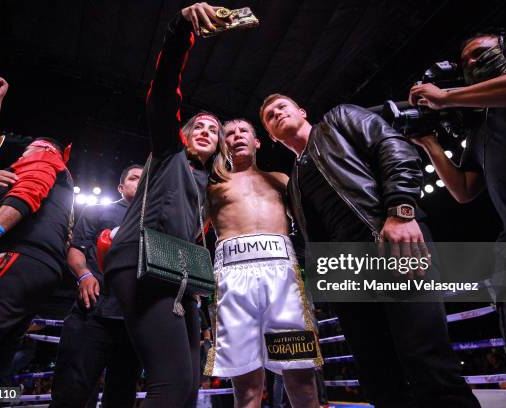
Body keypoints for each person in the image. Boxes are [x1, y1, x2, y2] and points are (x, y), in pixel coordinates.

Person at [259, 94, 480, 408]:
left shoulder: (339, 118)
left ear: (302, 111)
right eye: (269, 115)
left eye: (282, 106)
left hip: (390, 245)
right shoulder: (293, 181)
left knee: (429, 364)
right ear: (270, 135)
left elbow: (393, 146)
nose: (277, 113)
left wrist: (401, 210)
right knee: (379, 380)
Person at [408, 30, 506, 405]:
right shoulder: (481, 123)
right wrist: (429, 143)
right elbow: (463, 190)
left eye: (479, 53)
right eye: (465, 63)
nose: (471, 63)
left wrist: (446, 97)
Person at [104, 3, 229, 407]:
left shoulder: (210, 185)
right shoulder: (169, 152)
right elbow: (163, 89)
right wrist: (182, 31)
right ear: (185, 133)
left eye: (216, 129)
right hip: (143, 261)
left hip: (180, 276)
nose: (208, 130)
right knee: (171, 386)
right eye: (201, 126)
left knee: (189, 386)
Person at [205, 118, 321, 407]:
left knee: (299, 374)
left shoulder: (280, 179)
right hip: (231, 278)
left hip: (282, 277)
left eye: (243, 131)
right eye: (229, 134)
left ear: (257, 141)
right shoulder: (213, 188)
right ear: (224, 145)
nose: (237, 136)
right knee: (246, 386)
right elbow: (189, 231)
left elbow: (311, 224)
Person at [0, 137, 74, 400]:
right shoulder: (63, 185)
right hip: (40, 268)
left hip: (16, 258)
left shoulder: (43, 153)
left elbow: (31, 186)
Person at [50, 164, 143, 408]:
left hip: (134, 321)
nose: (140, 182)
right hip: (93, 312)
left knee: (122, 396)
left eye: (145, 180)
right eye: (134, 178)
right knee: (72, 391)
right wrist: (84, 275)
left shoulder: (155, 221)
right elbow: (75, 249)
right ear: (121, 187)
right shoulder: (97, 211)